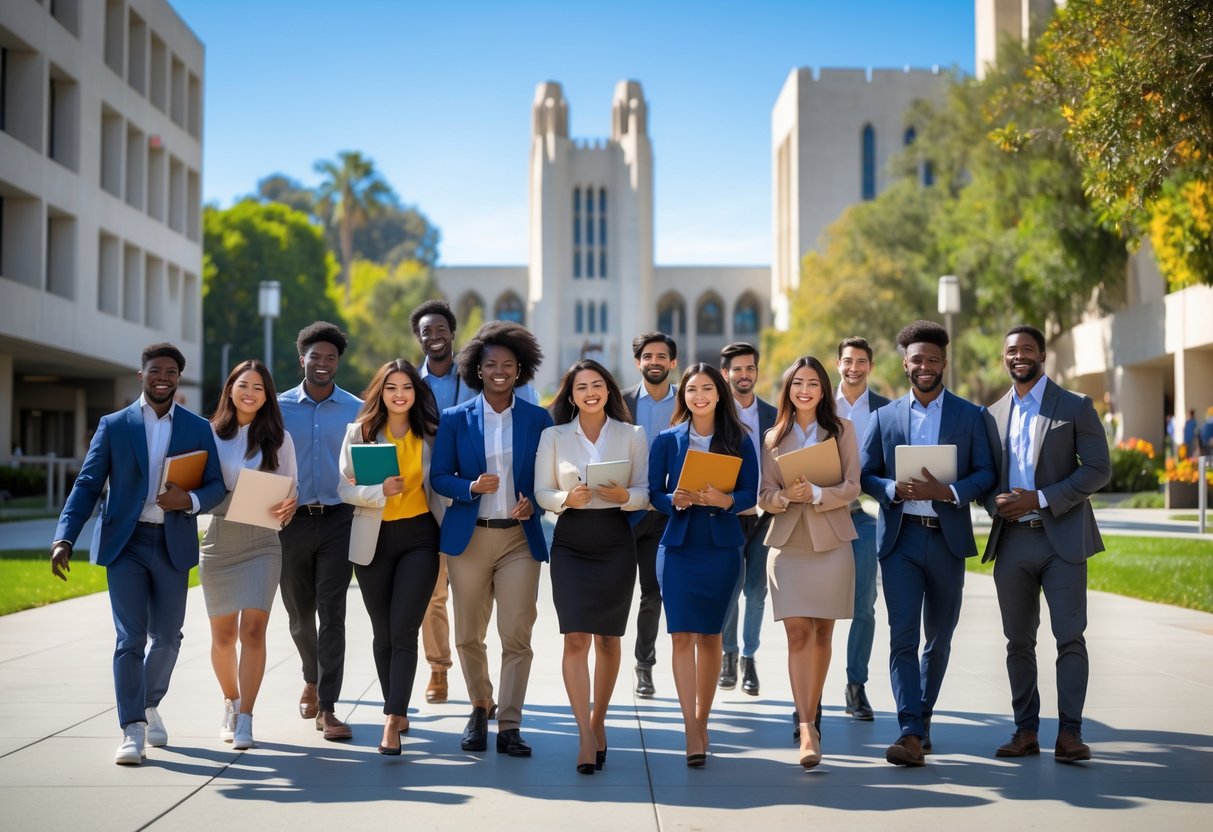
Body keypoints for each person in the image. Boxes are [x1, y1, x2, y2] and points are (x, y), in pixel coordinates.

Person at [50, 343, 225, 765]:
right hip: (125, 543)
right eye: (154, 370)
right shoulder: (114, 425)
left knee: (167, 638)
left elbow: (216, 485)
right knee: (129, 637)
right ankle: (132, 727)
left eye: (170, 371)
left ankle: (147, 704)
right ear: (141, 374)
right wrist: (65, 537)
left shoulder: (198, 428)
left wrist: (191, 501)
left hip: (171, 542)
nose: (162, 376)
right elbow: (88, 485)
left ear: (179, 378)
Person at [860, 320, 996, 767]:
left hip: (946, 540)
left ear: (944, 364)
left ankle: (923, 718)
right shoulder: (884, 417)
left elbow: (985, 473)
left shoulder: (970, 415)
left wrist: (949, 492)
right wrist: (892, 488)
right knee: (902, 638)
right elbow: (865, 475)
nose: (925, 366)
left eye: (933, 360)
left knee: (938, 640)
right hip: (900, 542)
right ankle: (910, 730)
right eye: (917, 359)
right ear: (905, 363)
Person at [983, 325, 1111, 763]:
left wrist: (1038, 498)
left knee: (1069, 637)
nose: (1019, 356)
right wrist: (995, 503)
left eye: (1027, 349)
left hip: (1063, 541)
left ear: (1041, 355)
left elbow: (1098, 468)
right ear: (1005, 357)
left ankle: (1070, 734)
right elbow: (986, 477)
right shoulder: (992, 414)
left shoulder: (1075, 406)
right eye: (1012, 350)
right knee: (1018, 641)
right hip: (1013, 542)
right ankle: (1025, 731)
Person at [431, 321, 554, 758]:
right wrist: (470, 488)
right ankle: (480, 707)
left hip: (518, 540)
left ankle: (510, 724)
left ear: (520, 369)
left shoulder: (539, 419)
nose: (499, 371)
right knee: (467, 634)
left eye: (508, 365)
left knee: (516, 634)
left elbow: (551, 476)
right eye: (491, 365)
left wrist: (534, 505)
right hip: (470, 538)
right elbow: (439, 476)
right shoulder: (455, 419)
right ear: (477, 370)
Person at [535, 360, 650, 774]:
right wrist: (567, 499)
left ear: (608, 390)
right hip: (571, 543)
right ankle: (584, 733)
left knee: (607, 640)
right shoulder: (553, 435)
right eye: (581, 387)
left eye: (597, 384)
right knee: (576, 639)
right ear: (571, 395)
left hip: (616, 541)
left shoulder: (633, 434)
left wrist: (624, 495)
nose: (590, 392)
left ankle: (599, 720)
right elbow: (541, 492)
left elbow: (645, 492)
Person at [648, 363, 759, 767]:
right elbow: (652, 494)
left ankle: (702, 719)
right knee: (681, 637)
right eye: (692, 389)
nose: (699, 396)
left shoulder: (739, 439)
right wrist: (671, 499)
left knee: (710, 637)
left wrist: (726, 500)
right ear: (685, 396)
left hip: (721, 549)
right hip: (678, 547)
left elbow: (751, 493)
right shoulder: (666, 440)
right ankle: (689, 727)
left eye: (707, 388)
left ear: (719, 394)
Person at [338, 359, 446, 755]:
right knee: (382, 633)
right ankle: (397, 709)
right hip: (374, 539)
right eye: (391, 387)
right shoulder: (359, 432)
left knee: (404, 631)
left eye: (407, 387)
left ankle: (391, 720)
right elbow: (344, 489)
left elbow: (442, 484)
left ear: (416, 393)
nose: (399, 394)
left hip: (420, 537)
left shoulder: (430, 435)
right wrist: (378, 490)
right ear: (379, 392)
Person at [759, 357, 861, 768]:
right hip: (788, 546)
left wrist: (817, 494)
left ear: (823, 390)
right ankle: (806, 727)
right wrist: (785, 498)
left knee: (822, 636)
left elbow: (853, 485)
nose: (805, 389)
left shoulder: (843, 430)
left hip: (832, 543)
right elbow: (763, 496)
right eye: (797, 383)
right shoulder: (772, 437)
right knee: (798, 635)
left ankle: (814, 714)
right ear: (788, 390)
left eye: (813, 383)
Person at [200, 360, 298, 751]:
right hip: (220, 538)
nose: (250, 393)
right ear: (230, 389)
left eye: (259, 387)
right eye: (243, 385)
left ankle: (246, 718)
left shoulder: (280, 439)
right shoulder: (207, 434)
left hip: (261, 542)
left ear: (267, 396)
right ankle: (231, 699)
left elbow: (293, 489)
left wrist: (290, 506)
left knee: (252, 632)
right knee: (223, 639)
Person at [278, 322, 363, 740]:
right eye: (316, 357)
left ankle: (328, 707)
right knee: (299, 613)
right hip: (289, 521)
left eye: (331, 358)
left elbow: (368, 464)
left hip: (338, 519)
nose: (324, 364)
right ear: (303, 360)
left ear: (337, 363)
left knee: (333, 613)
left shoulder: (357, 409)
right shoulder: (276, 408)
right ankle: (310, 676)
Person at [833, 336, 892, 722]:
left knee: (864, 605)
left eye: (861, 361)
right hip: (822, 515)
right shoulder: (819, 403)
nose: (854, 367)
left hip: (865, 516)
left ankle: (856, 685)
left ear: (870, 366)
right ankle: (807, 700)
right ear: (838, 363)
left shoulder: (886, 411)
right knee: (816, 609)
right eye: (847, 360)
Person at [620, 331, 679, 698]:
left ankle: (644, 665)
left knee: (652, 592)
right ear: (638, 362)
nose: (654, 362)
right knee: (616, 591)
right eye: (648, 357)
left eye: (662, 357)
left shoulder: (688, 402)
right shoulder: (621, 402)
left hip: (666, 511)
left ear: (672, 363)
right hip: (624, 510)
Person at [717, 342, 776, 696]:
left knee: (756, 592)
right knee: (729, 591)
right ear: (725, 374)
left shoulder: (773, 414)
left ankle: (749, 658)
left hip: (765, 515)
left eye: (750, 368)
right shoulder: (715, 414)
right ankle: (728, 654)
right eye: (737, 369)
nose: (744, 374)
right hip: (727, 514)